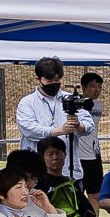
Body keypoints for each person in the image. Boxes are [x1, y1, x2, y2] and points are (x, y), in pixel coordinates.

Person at [17, 58, 98, 189]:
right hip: (36, 175)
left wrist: (78, 125)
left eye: (57, 81)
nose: (54, 84)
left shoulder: (72, 99)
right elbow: (29, 130)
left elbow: (88, 125)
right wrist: (60, 130)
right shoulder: (27, 103)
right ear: (37, 79)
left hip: (69, 171)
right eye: (49, 81)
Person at [75, 71, 107, 197]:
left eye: (99, 86)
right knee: (78, 195)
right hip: (79, 157)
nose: (97, 90)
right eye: (93, 86)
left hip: (95, 155)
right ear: (84, 88)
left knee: (95, 194)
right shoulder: (75, 105)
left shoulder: (99, 106)